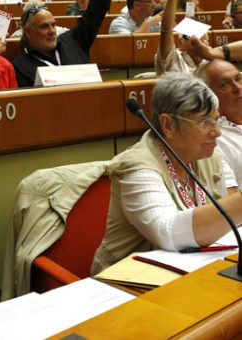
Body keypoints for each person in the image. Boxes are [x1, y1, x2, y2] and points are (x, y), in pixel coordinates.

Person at [91, 73, 241, 274]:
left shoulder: (208, 155)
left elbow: (228, 222)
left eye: (216, 120)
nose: (217, 132)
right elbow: (168, 232)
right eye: (204, 122)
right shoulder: (137, 166)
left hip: (194, 268)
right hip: (128, 279)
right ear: (168, 125)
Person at [12, 0, 116, 87]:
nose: (52, 31)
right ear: (28, 32)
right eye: (44, 27)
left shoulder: (73, 40)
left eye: (53, 25)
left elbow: (96, 11)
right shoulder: (20, 68)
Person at [196, 59, 242, 187]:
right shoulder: (213, 139)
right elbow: (228, 196)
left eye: (238, 79)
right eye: (224, 85)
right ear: (207, 96)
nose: (238, 88)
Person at [155, 0, 208, 75]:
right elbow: (166, 30)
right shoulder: (173, 59)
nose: (201, 42)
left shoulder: (209, 62)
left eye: (203, 40)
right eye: (194, 40)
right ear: (181, 44)